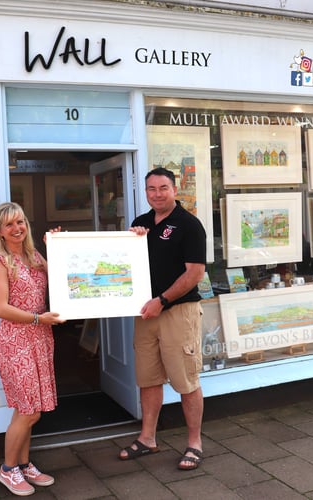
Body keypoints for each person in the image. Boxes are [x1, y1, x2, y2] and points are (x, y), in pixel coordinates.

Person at [119, 167, 207, 471]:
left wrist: (163, 300)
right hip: (146, 313)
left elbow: (195, 272)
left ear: (174, 189)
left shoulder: (189, 225)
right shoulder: (140, 224)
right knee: (149, 378)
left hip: (177, 312)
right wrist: (134, 241)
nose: (157, 194)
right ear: (145, 192)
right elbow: (125, 263)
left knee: (186, 380)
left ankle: (194, 443)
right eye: (151, 189)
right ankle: (148, 438)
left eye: (163, 188)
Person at [0, 202, 65, 497]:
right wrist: (37, 318)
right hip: (16, 340)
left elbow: (63, 278)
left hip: (40, 337)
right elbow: (0, 308)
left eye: (20, 222)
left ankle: (23, 464)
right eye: (9, 225)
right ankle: (8, 470)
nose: (17, 228)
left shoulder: (34, 256)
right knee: (27, 410)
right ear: (1, 232)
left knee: (33, 409)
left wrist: (55, 247)